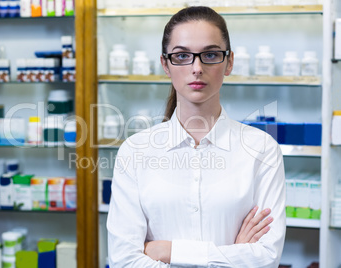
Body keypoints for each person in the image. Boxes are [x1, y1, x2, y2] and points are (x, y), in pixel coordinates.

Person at [107, 6, 285, 268]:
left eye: (210, 54)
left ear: (229, 62)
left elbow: (266, 257)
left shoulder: (261, 150)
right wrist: (232, 254)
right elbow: (124, 260)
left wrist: (167, 251)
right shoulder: (136, 151)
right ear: (165, 65)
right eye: (182, 56)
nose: (197, 68)